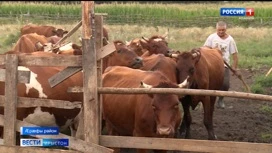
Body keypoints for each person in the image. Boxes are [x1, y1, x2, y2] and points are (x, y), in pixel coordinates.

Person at [203, 21, 239, 109]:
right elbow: (204, 48)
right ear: (216, 29)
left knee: (225, 84)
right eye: (219, 30)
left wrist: (234, 67)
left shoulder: (230, 40)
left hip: (224, 65)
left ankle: (220, 100)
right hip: (212, 64)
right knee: (208, 83)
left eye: (223, 30)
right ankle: (205, 100)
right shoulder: (211, 37)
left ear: (226, 29)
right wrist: (213, 51)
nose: (221, 32)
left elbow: (235, 55)